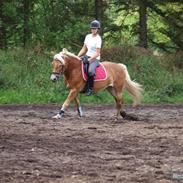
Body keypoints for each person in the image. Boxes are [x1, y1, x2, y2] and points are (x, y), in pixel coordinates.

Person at [78, 20, 102, 96]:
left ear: (98, 29)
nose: (93, 30)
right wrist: (77, 57)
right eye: (92, 28)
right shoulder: (88, 36)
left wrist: (89, 60)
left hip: (95, 58)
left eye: (95, 28)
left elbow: (97, 53)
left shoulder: (98, 39)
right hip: (87, 56)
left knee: (90, 71)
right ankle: (81, 86)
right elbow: (84, 49)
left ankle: (90, 88)